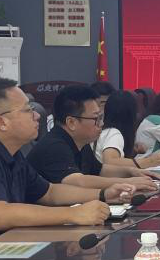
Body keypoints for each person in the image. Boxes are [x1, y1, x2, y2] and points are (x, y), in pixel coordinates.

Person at [0, 78, 135, 230]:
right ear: (2, 122)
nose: (37, 115)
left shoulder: (15, 157)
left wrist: (103, 194)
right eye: (28, 110)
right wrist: (73, 214)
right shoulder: (53, 146)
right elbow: (2, 213)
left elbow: (50, 192)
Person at [27, 85, 160, 193]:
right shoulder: (54, 146)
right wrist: (128, 182)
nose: (101, 124)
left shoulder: (80, 142)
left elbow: (100, 170)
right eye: (96, 119)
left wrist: (131, 172)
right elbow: (78, 181)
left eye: (101, 117)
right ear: (71, 122)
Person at [93, 91, 160, 169]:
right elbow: (110, 161)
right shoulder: (114, 133)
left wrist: (133, 151)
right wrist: (149, 161)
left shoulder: (106, 131)